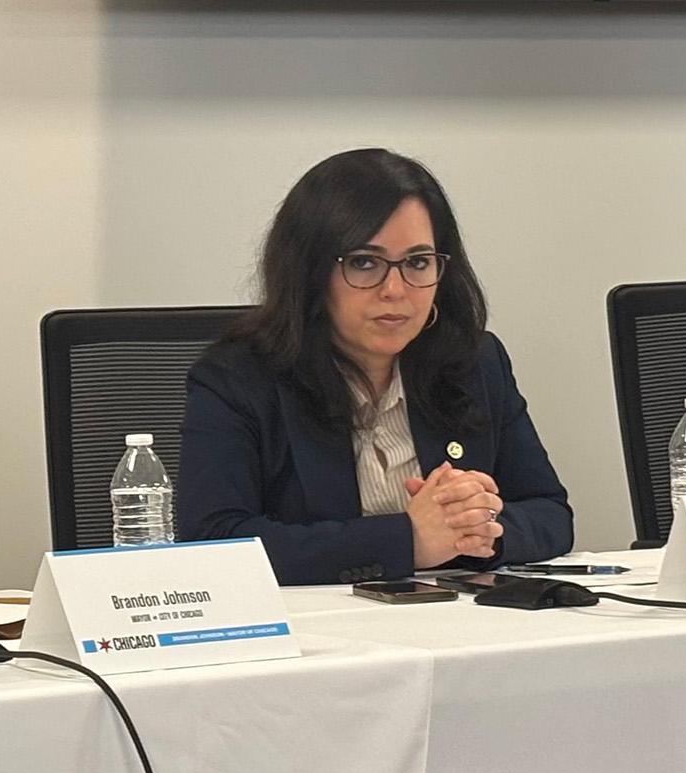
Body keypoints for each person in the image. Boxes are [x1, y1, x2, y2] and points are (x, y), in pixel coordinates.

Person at [178, 148, 573, 585]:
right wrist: (406, 541)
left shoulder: (475, 362)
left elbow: (550, 513)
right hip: (320, 640)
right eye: (365, 263)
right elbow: (214, 543)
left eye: (418, 263)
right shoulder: (239, 379)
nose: (395, 289)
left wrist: (479, 528)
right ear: (311, 272)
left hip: (461, 627)